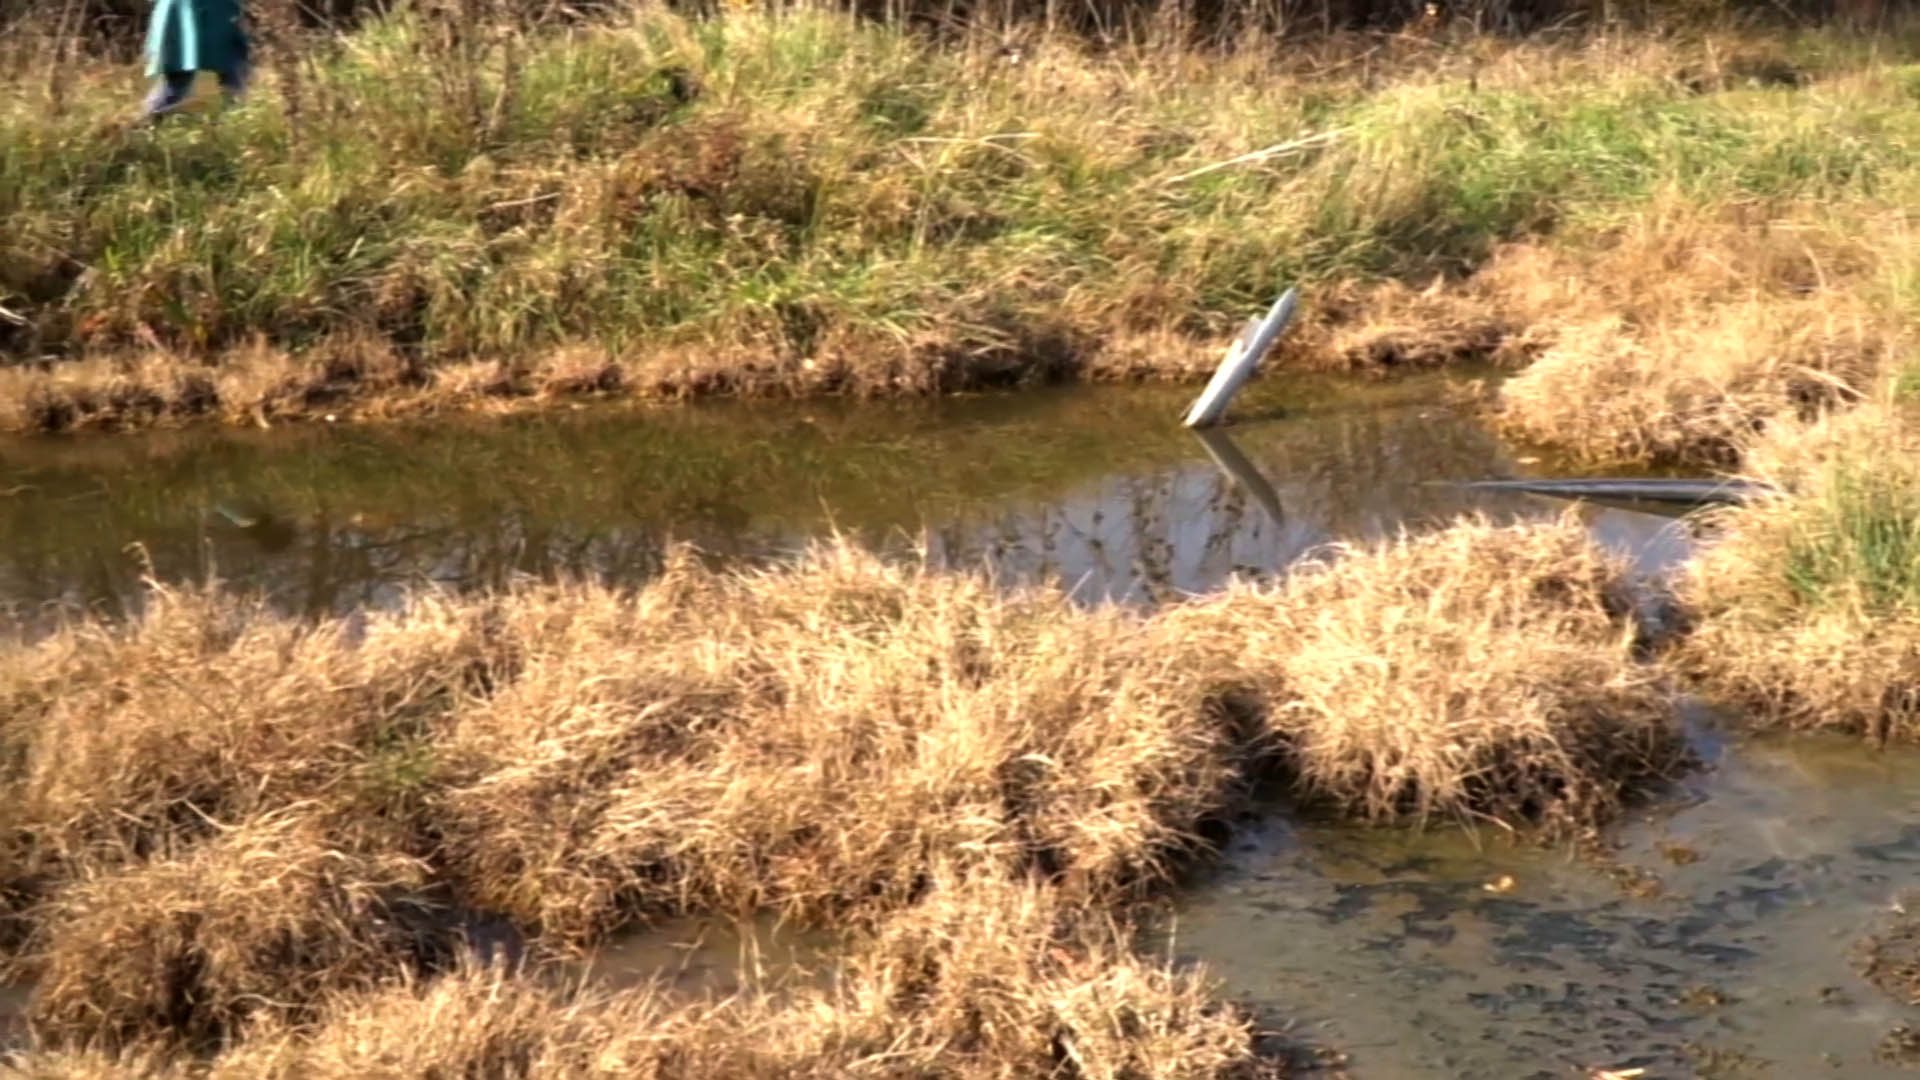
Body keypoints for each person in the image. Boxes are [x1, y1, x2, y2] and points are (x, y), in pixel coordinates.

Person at [142, 0, 252, 122]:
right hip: (198, 12)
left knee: (234, 73)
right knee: (234, 73)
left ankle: (234, 125)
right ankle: (145, 124)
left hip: (196, 11)